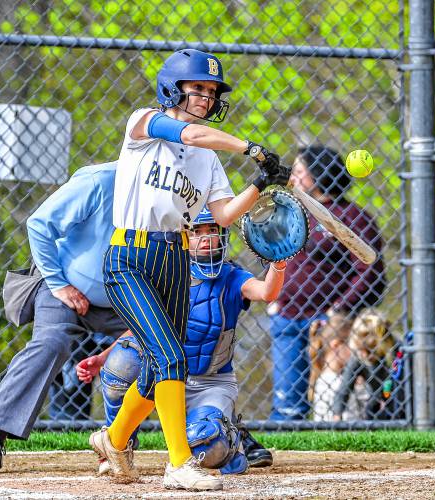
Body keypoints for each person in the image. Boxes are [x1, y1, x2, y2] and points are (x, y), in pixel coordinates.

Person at [88, 49, 289, 491]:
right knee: (170, 355)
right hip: (132, 257)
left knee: (160, 364)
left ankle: (114, 439)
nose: (205, 96)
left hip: (177, 260)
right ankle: (179, 463)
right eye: (197, 88)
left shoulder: (207, 162)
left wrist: (261, 182)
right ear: (172, 88)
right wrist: (250, 148)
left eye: (211, 91)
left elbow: (222, 215)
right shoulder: (143, 123)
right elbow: (192, 135)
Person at [78, 208, 279, 475]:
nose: (207, 238)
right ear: (184, 236)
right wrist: (102, 358)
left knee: (207, 445)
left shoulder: (231, 276)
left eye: (213, 231)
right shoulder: (169, 274)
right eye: (197, 232)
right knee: (122, 363)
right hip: (169, 379)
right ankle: (117, 447)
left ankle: (230, 437)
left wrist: (279, 263)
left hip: (210, 382)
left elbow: (267, 292)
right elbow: (145, 330)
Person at [0, 161, 128, 473]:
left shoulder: (167, 190)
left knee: (180, 334)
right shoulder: (101, 180)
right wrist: (58, 284)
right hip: (65, 286)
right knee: (52, 342)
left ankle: (215, 430)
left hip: (124, 298)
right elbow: (39, 224)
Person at [268, 145, 385, 421]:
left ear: (317, 176)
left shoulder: (352, 217)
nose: (292, 178)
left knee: (329, 401)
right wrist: (273, 297)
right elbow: (273, 254)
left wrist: (339, 310)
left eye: (298, 172)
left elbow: (369, 271)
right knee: (287, 405)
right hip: (287, 315)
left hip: (329, 323)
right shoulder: (294, 211)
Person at [331, 309, 399, 421]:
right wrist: (337, 415)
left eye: (368, 351)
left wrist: (387, 398)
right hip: (378, 398)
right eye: (360, 350)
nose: (363, 355)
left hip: (397, 397)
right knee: (372, 409)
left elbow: (393, 384)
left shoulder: (396, 353)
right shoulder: (358, 357)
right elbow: (344, 389)